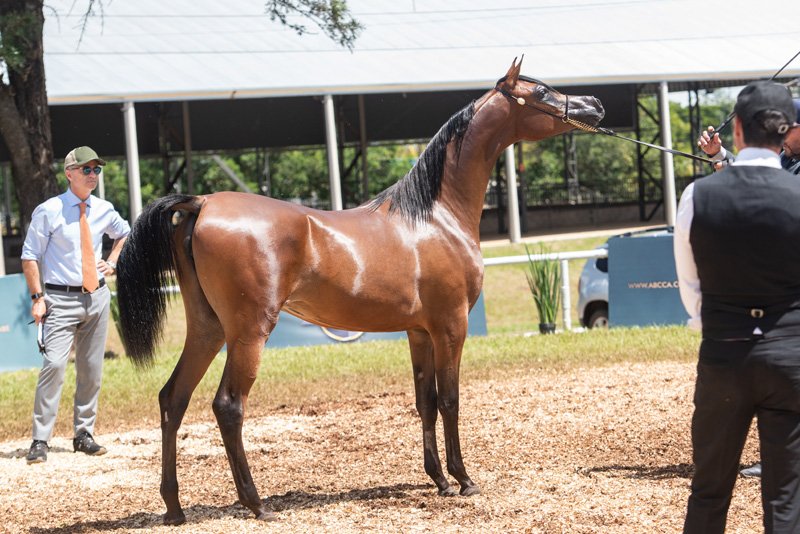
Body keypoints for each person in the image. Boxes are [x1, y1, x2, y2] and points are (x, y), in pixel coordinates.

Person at [675, 81, 800, 533]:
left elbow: (690, 286)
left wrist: (719, 323)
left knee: (708, 492)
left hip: (724, 354)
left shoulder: (697, 196)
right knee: (786, 501)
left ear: (739, 130)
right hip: (791, 359)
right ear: (787, 131)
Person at [21, 146, 130, 464]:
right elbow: (30, 255)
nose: (93, 175)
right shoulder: (49, 210)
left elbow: (124, 233)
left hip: (96, 297)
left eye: (97, 169)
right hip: (59, 299)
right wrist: (37, 298)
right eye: (86, 169)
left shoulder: (104, 209)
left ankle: (83, 434)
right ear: (69, 173)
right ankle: (40, 439)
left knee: (92, 370)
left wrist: (112, 261)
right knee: (54, 366)